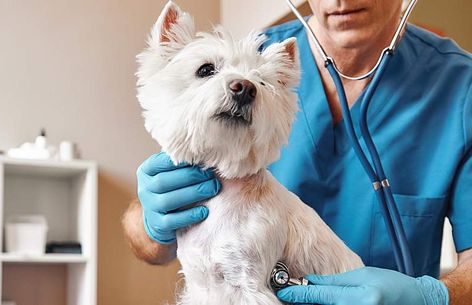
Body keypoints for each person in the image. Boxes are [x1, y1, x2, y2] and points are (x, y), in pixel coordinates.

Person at [123, 0, 472, 304]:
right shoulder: (254, 56)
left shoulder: (460, 87)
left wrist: (434, 298)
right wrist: (149, 221)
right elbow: (151, 244)